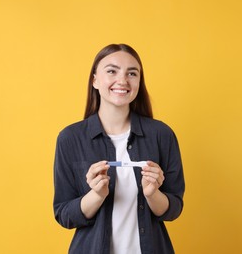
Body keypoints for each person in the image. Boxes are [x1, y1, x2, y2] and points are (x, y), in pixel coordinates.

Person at [53, 44, 185, 254]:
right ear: (95, 80)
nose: (123, 80)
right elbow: (64, 214)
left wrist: (153, 194)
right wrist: (96, 195)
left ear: (139, 82)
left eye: (132, 73)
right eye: (112, 71)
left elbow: (174, 208)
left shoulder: (162, 135)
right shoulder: (70, 139)